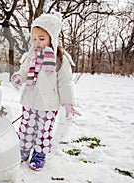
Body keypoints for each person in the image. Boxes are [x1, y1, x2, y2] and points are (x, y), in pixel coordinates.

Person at [11, 12, 81, 171]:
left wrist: (68, 103)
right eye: (34, 39)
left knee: (43, 130)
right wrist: (18, 77)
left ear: (52, 38)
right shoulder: (31, 56)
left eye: (42, 39)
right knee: (26, 127)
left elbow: (65, 83)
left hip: (49, 104)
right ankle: (23, 150)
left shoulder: (60, 59)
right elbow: (24, 70)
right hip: (30, 100)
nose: (37, 42)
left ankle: (39, 154)